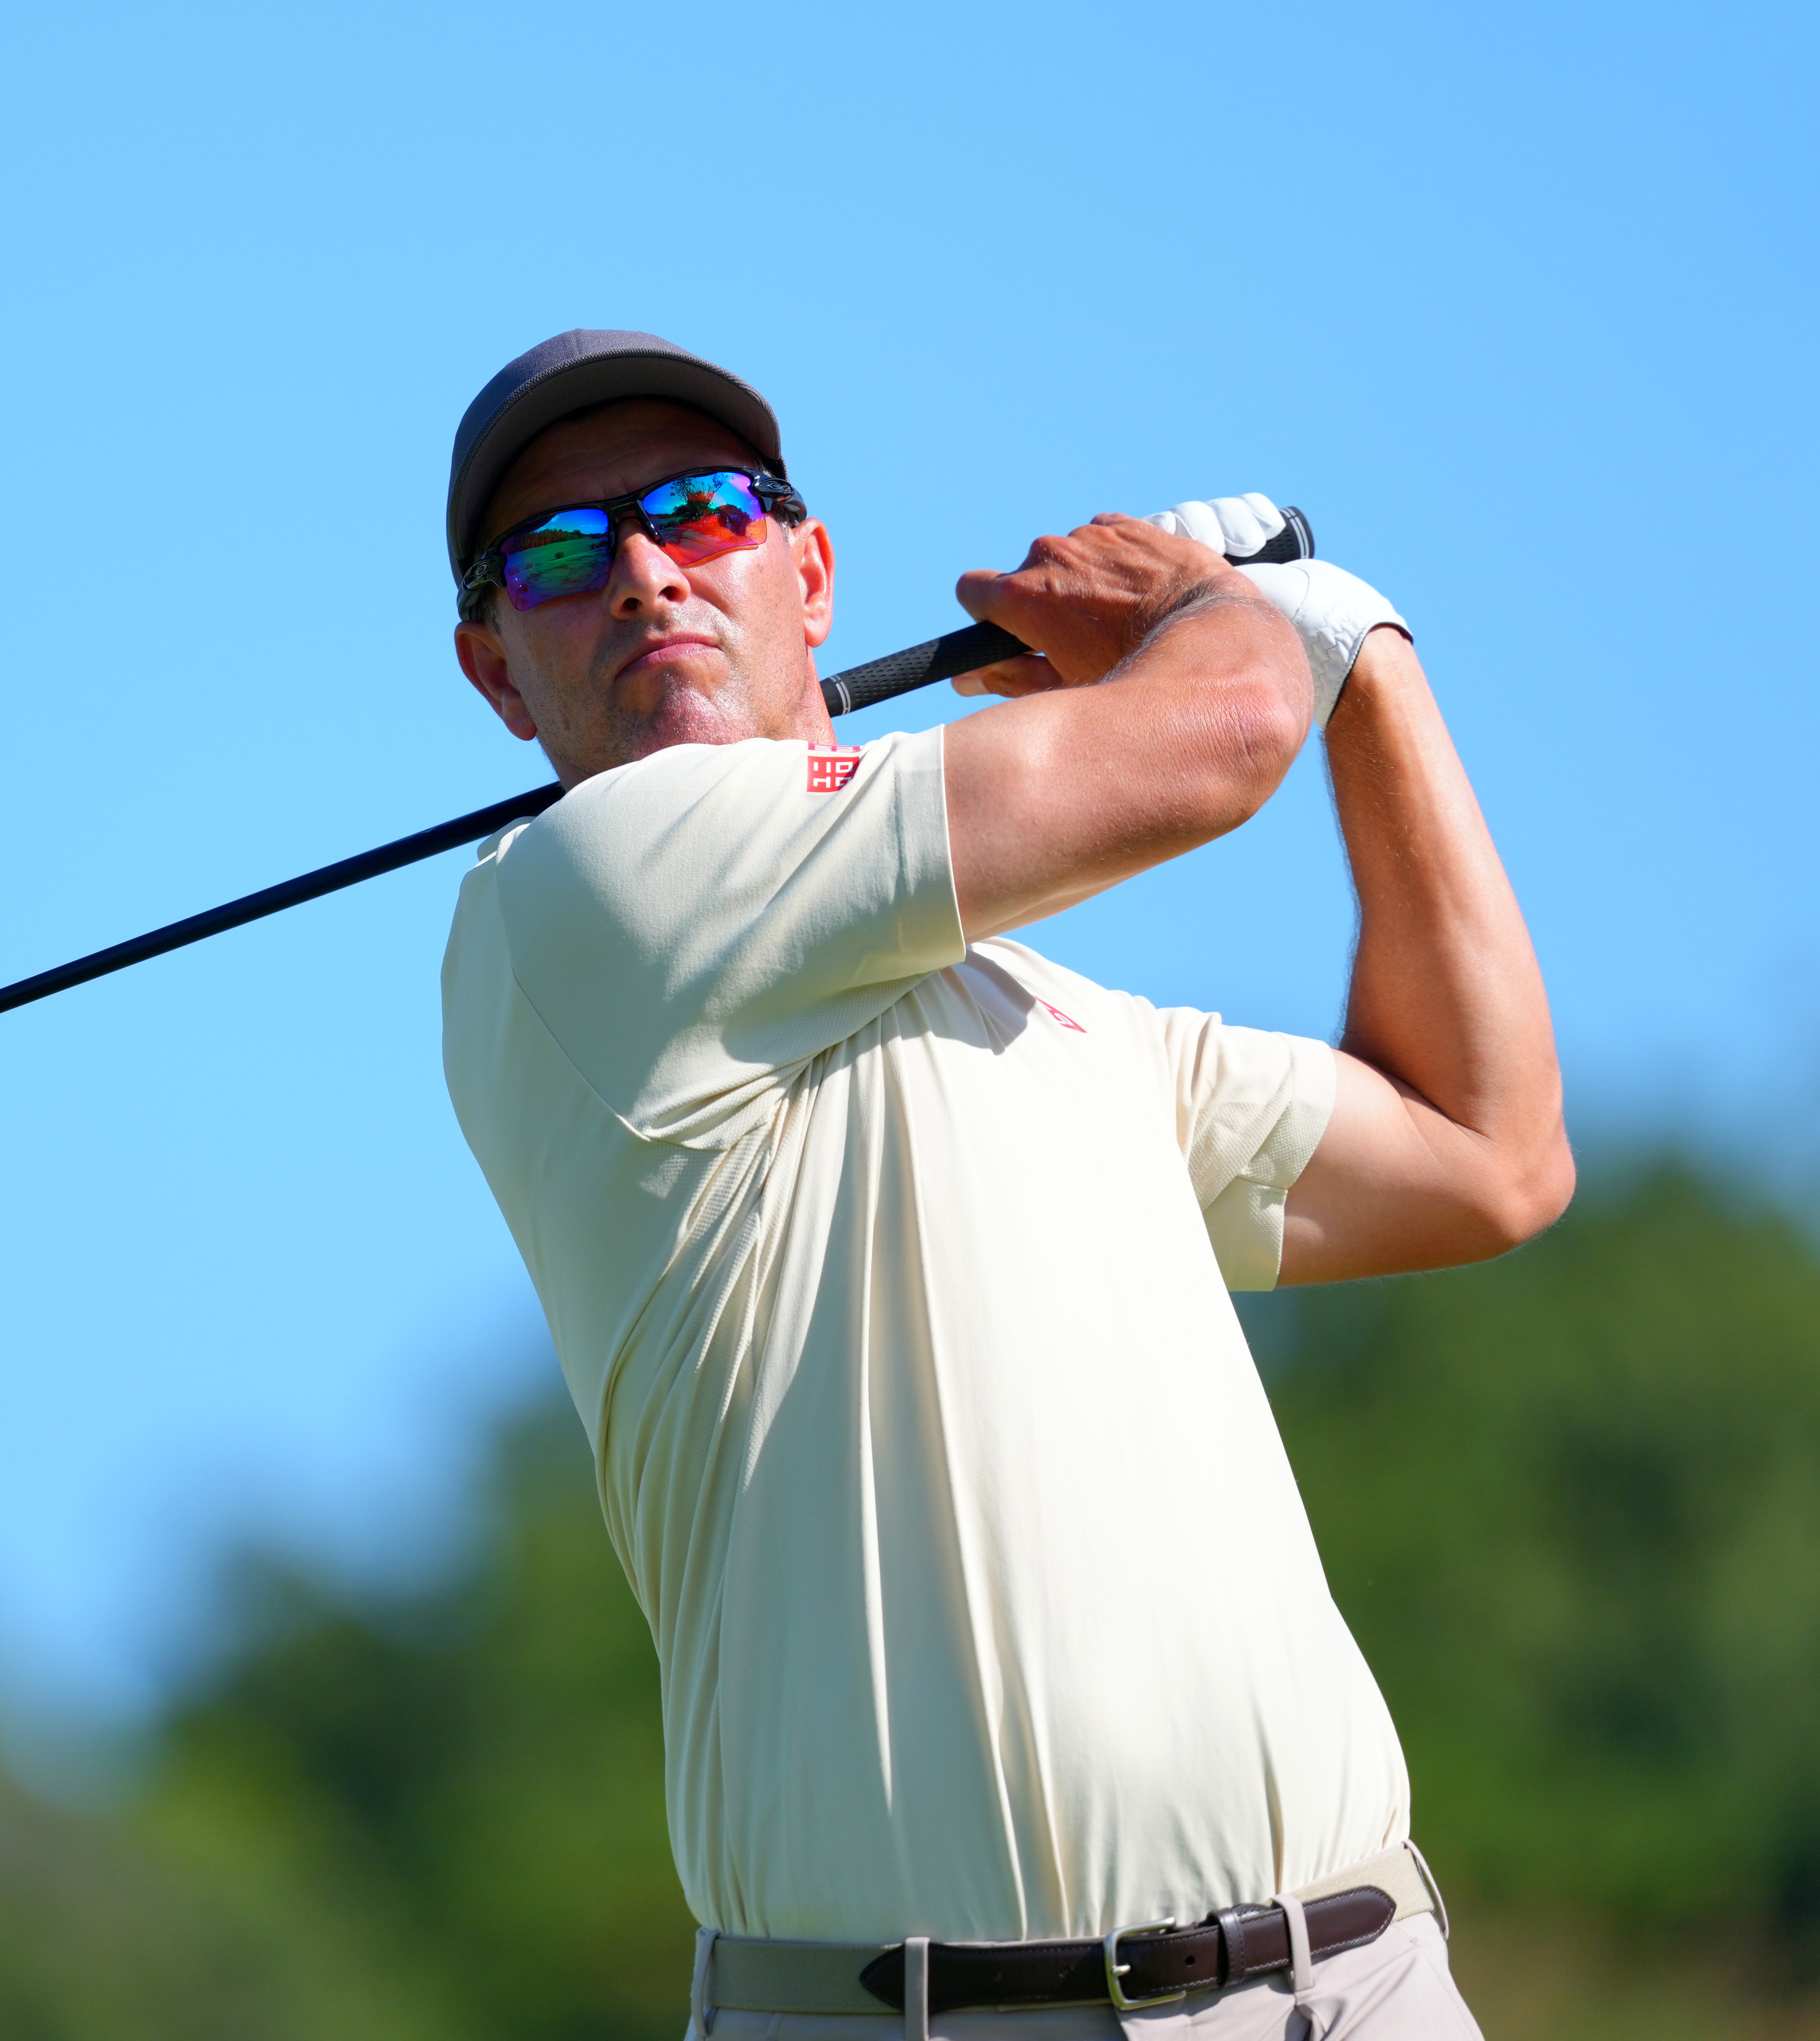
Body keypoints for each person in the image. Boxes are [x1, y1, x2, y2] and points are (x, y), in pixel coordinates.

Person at [436, 330, 1570, 2040]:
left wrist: (1373, 653)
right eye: (564, 554)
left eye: (703, 511)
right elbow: (1227, 730)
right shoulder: (587, 893)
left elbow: (1488, 1150)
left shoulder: (1055, 1019)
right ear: (500, 673)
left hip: (1362, 1983)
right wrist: (1237, 614)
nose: (649, 572)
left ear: (810, 578)